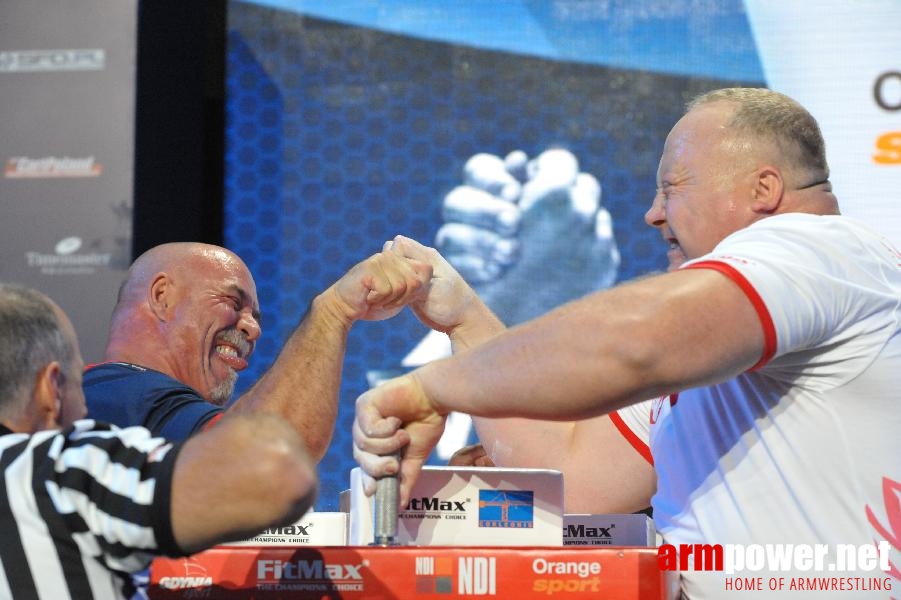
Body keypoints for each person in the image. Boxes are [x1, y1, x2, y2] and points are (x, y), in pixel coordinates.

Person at [353, 88, 901, 597]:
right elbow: (574, 479)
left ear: (764, 190)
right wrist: (466, 321)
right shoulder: (717, 339)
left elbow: (635, 340)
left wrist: (433, 389)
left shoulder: (823, 252)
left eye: (673, 186)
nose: (653, 213)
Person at [0, 283, 317, 600]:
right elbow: (278, 470)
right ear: (51, 388)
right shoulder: (66, 468)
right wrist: (330, 314)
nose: (86, 401)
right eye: (78, 378)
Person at [84, 241, 433, 457]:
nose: (253, 328)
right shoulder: (119, 392)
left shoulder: (128, 410)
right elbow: (274, 453)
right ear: (163, 297)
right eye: (233, 302)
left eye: (255, 315)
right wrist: (333, 311)